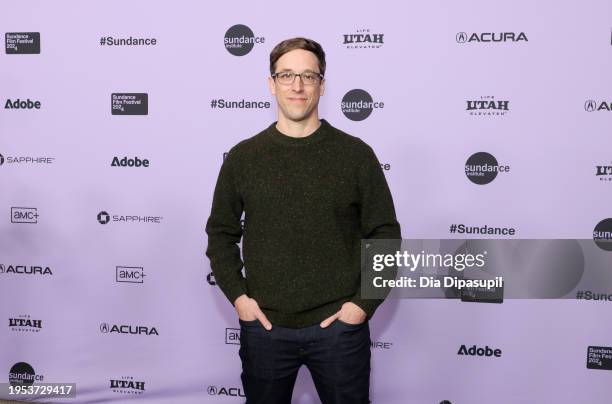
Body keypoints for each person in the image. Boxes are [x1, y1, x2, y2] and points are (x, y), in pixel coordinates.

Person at [205, 37, 401, 404]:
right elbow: (220, 234)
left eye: (308, 76)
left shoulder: (355, 155)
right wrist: (240, 298)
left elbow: (385, 234)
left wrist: (362, 305)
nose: (297, 86)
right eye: (287, 75)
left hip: (339, 330)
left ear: (322, 86)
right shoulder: (243, 158)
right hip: (265, 329)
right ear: (271, 83)